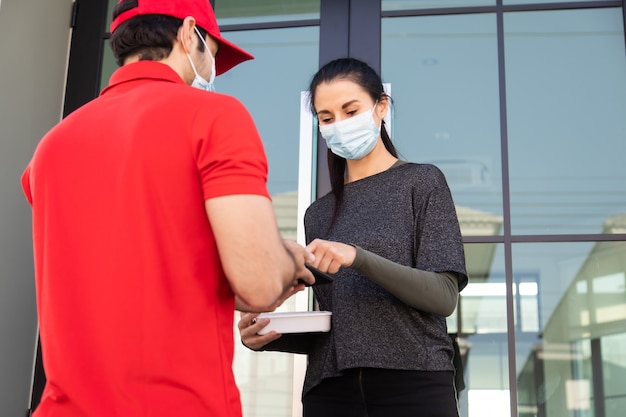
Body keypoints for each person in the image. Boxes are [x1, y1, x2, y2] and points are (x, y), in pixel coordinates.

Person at [20, 0, 315, 416]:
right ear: (189, 32)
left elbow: (133, 277)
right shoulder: (215, 117)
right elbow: (261, 285)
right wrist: (286, 258)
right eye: (211, 51)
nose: (211, 66)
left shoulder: (51, 146)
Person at [238, 57, 469, 417]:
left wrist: (357, 257)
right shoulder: (317, 214)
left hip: (414, 384)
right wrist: (269, 337)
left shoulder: (422, 182)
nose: (339, 126)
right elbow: (343, 328)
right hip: (330, 393)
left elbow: (443, 297)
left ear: (381, 107)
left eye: (350, 110)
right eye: (327, 118)